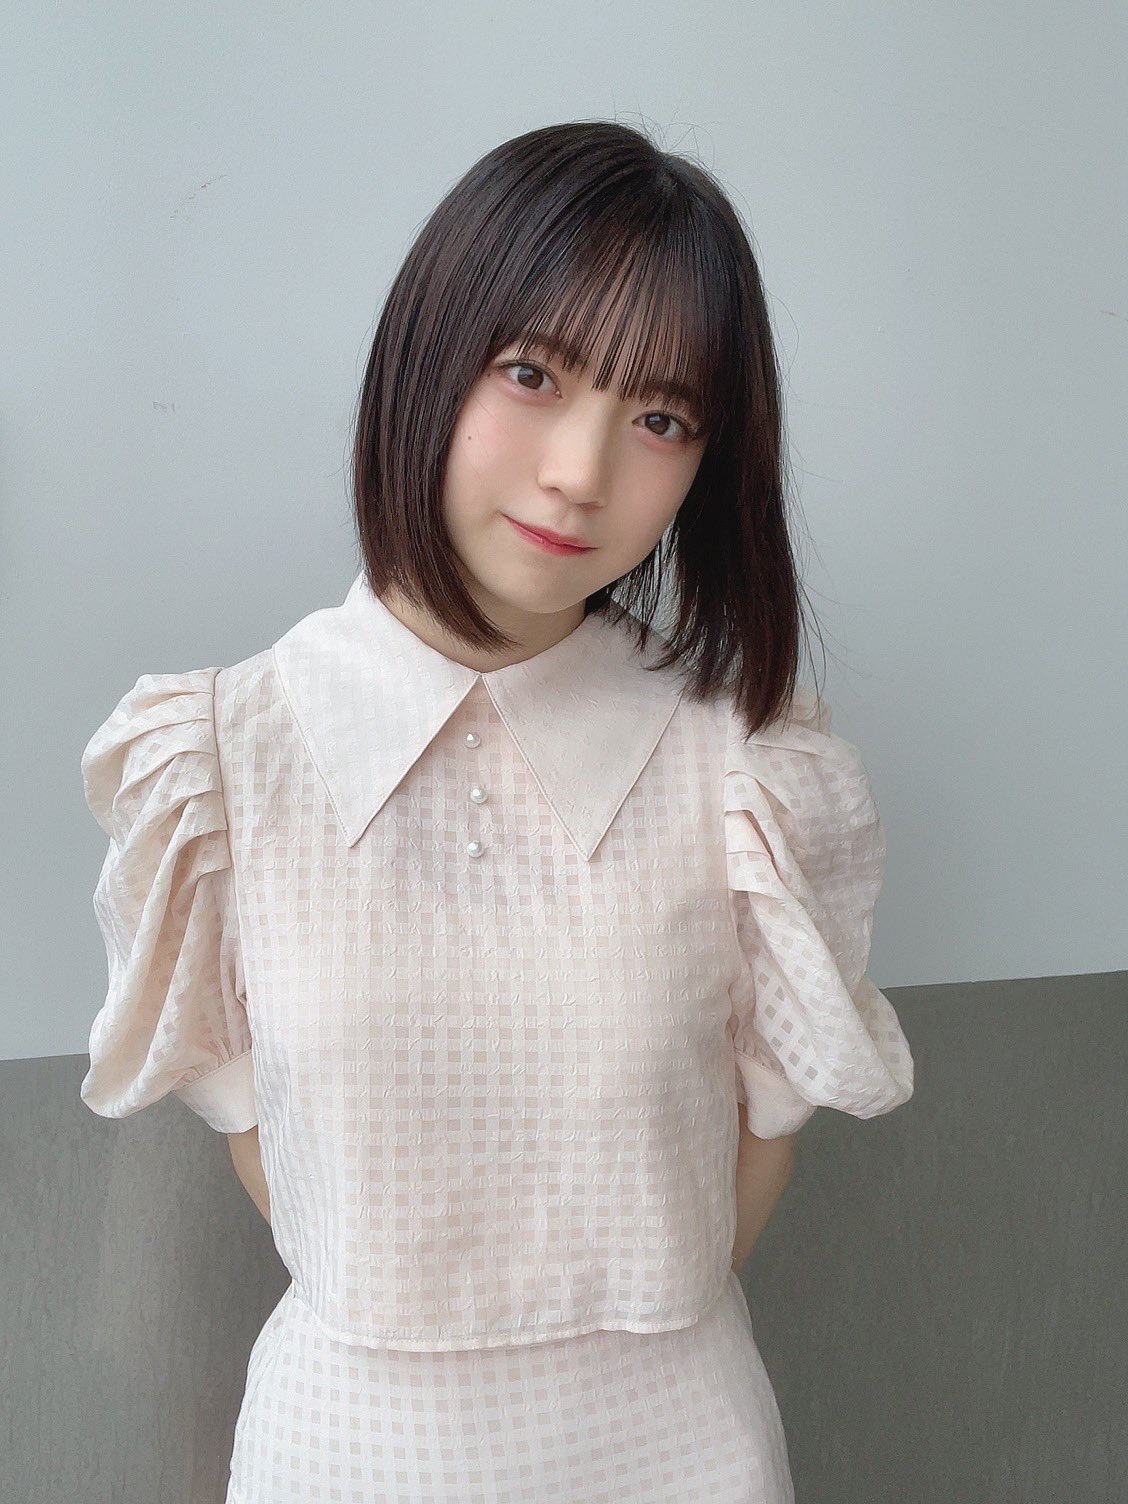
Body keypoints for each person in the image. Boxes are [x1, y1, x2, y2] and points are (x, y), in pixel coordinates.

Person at [78, 119, 914, 1504]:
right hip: (348, 1451)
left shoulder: (747, 769)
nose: (581, 471)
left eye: (660, 419)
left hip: (676, 1450)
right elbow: (263, 1141)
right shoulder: (219, 763)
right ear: (428, 357)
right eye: (532, 373)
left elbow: (761, 1135)